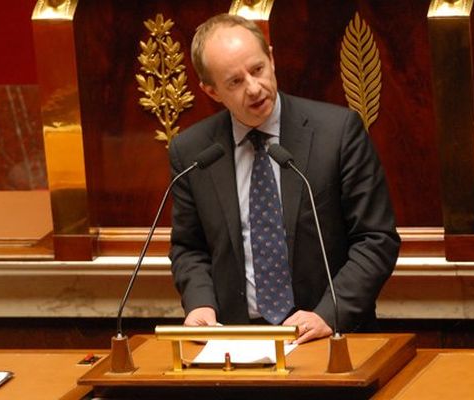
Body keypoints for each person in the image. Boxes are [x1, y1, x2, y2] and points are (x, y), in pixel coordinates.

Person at [168, 13, 400, 344]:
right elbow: (189, 248)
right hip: (235, 345)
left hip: (327, 338)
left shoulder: (337, 133)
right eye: (234, 81)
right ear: (210, 90)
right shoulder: (193, 152)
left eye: (258, 69)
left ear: (272, 58)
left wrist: (328, 313)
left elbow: (377, 239)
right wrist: (200, 304)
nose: (253, 88)